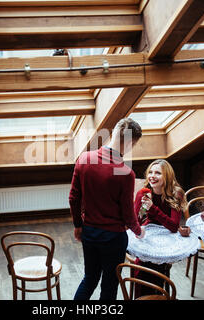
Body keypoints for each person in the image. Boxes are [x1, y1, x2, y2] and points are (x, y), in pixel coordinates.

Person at [69, 118, 145, 300]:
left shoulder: (84, 158)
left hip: (90, 232)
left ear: (114, 133)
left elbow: (73, 198)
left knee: (89, 279)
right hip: (113, 238)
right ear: (129, 142)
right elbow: (128, 213)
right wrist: (138, 230)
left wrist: (78, 225)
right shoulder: (126, 173)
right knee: (110, 285)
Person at [133, 159, 187, 298]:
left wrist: (153, 208)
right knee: (142, 266)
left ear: (167, 176)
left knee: (157, 266)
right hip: (149, 233)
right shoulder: (143, 193)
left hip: (167, 236)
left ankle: (158, 295)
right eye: (150, 172)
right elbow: (136, 221)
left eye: (158, 173)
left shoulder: (176, 194)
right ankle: (141, 298)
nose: (152, 175)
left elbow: (173, 226)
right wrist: (143, 206)